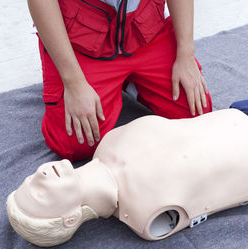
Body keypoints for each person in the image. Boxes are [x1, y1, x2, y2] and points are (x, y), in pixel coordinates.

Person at [7, 80, 248, 247]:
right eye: (39, 194)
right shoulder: (146, 216)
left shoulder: (110, 141)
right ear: (69, 219)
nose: (40, 172)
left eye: (28, 179)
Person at [28, 0, 213, 161]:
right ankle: (94, 79)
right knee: (77, 142)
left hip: (145, 30)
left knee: (196, 113)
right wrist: (73, 83)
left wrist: (186, 55)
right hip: (83, 41)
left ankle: (129, 83)